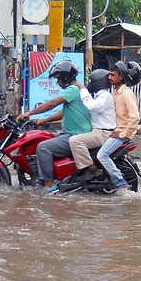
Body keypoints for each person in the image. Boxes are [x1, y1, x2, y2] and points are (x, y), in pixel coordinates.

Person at [16, 60, 92, 192]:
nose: (57, 82)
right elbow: (64, 112)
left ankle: (49, 184)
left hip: (75, 135)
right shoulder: (78, 89)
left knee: (43, 148)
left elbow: (52, 103)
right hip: (72, 133)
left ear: (65, 77)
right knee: (46, 140)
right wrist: (45, 120)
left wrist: (29, 113)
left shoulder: (73, 89)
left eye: (58, 79)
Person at [96, 60, 141, 190]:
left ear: (121, 77)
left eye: (113, 75)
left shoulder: (126, 93)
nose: (110, 78)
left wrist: (124, 133)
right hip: (113, 130)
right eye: (109, 75)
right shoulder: (115, 91)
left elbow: (135, 116)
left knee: (102, 155)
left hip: (120, 133)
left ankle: (120, 182)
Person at [68, 68, 116, 182]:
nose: (90, 84)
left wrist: (83, 89)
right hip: (99, 131)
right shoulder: (100, 96)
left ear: (98, 82)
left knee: (75, 141)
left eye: (91, 81)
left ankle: (92, 170)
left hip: (103, 133)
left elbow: (92, 106)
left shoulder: (105, 96)